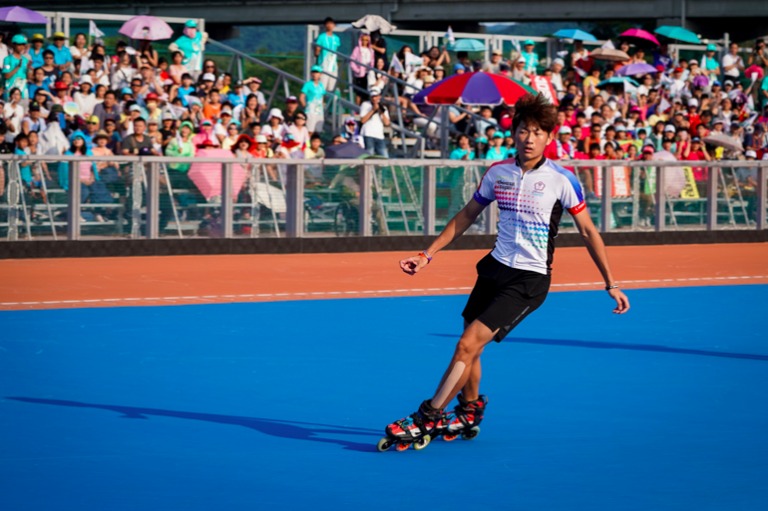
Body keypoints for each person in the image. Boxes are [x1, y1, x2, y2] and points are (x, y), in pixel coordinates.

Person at [379, 94, 630, 451]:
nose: (529, 138)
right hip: (494, 269)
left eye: (538, 132)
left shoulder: (562, 180)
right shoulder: (499, 172)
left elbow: (589, 232)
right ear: (513, 134)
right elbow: (468, 214)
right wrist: (427, 254)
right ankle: (469, 410)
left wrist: (611, 284)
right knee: (471, 346)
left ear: (549, 137)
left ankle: (428, 416)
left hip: (528, 279)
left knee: (466, 345)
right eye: (524, 130)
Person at [359, 88, 390, 157]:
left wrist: (380, 111)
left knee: (385, 157)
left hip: (379, 135)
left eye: (376, 96)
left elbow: (387, 123)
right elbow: (363, 120)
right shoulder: (365, 104)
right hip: (368, 134)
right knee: (370, 156)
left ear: (379, 96)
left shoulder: (383, 107)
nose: (374, 98)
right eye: (372, 96)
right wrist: (373, 110)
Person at [314, 17, 341, 91]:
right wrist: (317, 52)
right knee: (322, 87)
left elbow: (336, 49)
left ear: (334, 25)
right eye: (328, 23)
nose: (329, 25)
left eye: (331, 23)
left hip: (333, 66)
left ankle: (331, 98)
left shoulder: (336, 38)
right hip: (323, 65)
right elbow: (317, 50)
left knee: (332, 88)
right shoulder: (321, 37)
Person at [300, 66, 326, 135]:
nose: (315, 74)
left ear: (320, 74)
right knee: (309, 131)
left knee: (318, 132)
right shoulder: (308, 84)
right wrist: (306, 107)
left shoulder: (321, 85)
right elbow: (301, 97)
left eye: (317, 72)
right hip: (310, 111)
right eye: (313, 72)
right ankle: (307, 142)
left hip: (319, 112)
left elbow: (322, 97)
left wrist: (322, 106)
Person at [3, 35, 30, 100]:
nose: (22, 47)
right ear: (13, 45)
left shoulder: (25, 60)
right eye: (19, 44)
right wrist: (17, 67)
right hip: (10, 92)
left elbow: (28, 77)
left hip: (23, 92)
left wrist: (29, 69)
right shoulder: (7, 59)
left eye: (23, 45)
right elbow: (6, 75)